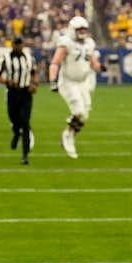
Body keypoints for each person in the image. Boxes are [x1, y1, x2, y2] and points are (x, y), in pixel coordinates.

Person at [49, 15, 101, 159]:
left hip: (83, 83)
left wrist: (98, 67)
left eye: (84, 29)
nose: (82, 32)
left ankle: (70, 134)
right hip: (68, 82)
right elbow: (55, 62)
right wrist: (52, 80)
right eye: (79, 29)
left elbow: (92, 61)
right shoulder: (66, 43)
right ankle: (67, 136)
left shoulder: (89, 43)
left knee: (84, 116)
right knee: (78, 110)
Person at [0, 37, 37, 164]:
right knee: (14, 119)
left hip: (25, 92)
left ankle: (25, 155)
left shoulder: (29, 58)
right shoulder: (5, 58)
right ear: (12, 45)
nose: (18, 46)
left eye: (20, 44)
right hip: (12, 93)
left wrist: (34, 84)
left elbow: (34, 72)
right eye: (16, 44)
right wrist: (7, 82)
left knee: (25, 121)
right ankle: (16, 132)